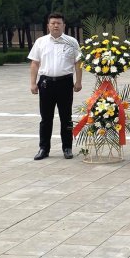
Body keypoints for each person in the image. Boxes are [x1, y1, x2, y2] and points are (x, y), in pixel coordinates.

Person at [29, 12, 83, 160]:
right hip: (46, 83)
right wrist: (33, 83)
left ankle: (67, 147)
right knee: (46, 118)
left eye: (58, 23)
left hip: (65, 82)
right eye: (53, 23)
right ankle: (44, 148)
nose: (56, 26)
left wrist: (78, 81)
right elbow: (35, 63)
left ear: (64, 25)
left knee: (66, 117)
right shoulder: (41, 42)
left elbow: (78, 63)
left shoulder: (72, 42)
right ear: (48, 25)